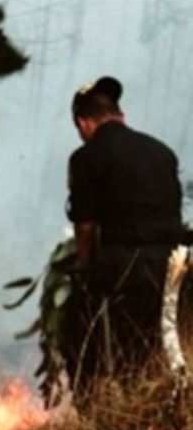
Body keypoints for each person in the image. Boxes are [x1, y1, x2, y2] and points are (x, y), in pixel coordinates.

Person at [65, 76, 185, 386]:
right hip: (177, 265)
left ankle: (134, 418)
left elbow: (86, 224)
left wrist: (85, 268)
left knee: (128, 351)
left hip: (128, 266)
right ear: (121, 115)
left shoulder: (86, 158)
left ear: (83, 123)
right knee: (171, 342)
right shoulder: (162, 151)